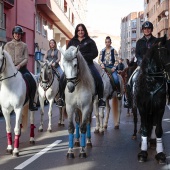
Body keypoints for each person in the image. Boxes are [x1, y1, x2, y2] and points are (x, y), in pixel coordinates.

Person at [56, 23, 106, 108]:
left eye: (82, 30)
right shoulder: (72, 41)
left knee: (98, 78)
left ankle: (101, 99)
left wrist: (84, 57)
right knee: (62, 78)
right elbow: (67, 53)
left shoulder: (90, 41)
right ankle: (61, 98)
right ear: (76, 31)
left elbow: (95, 53)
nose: (80, 32)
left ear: (84, 31)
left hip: (88, 64)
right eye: (78, 30)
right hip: (73, 65)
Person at [4, 26, 38, 111]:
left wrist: (19, 65)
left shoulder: (24, 45)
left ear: (21, 35)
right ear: (13, 34)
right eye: (16, 33)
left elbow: (26, 59)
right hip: (9, 69)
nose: (17, 35)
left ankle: (31, 104)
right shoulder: (7, 45)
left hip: (21, 68)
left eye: (19, 34)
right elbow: (4, 57)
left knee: (32, 81)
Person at [124, 21, 157, 108]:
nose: (147, 30)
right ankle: (129, 100)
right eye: (145, 29)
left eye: (149, 28)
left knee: (165, 78)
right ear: (143, 30)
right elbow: (137, 54)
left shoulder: (156, 41)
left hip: (154, 66)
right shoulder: (139, 42)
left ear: (151, 30)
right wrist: (141, 61)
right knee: (131, 79)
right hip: (142, 66)